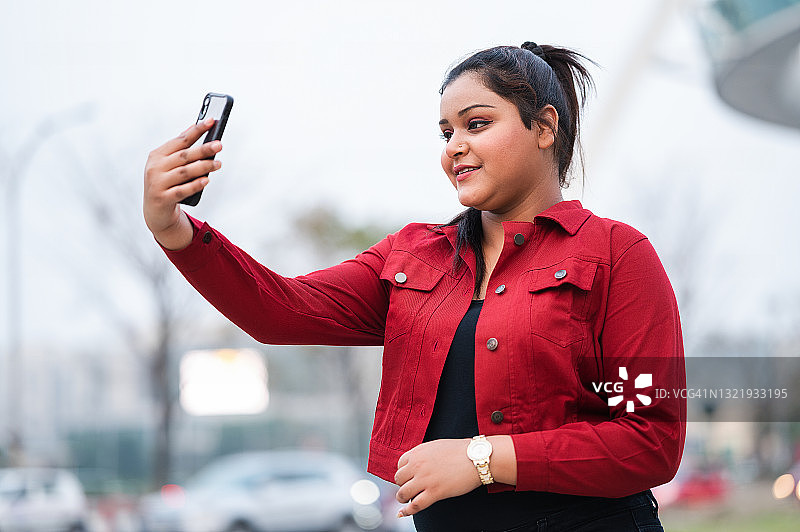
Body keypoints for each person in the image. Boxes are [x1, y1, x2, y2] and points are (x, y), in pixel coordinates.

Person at [144, 42, 686, 532]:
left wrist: (481, 459)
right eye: (446, 133)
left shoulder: (618, 255)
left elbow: (652, 440)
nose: (455, 147)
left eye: (476, 124)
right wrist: (174, 229)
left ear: (545, 127)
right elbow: (280, 313)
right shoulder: (411, 256)